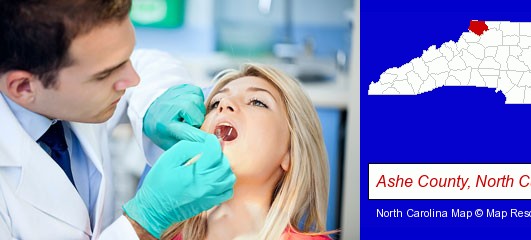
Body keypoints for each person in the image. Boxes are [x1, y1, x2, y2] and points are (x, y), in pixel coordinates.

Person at [0, 0, 235, 239]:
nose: (133, 78)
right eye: (105, 75)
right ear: (23, 87)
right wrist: (143, 222)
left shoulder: (71, 78)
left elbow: (145, 62)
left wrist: (156, 99)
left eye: (127, 58)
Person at [160, 64, 336, 240]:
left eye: (257, 102)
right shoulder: (159, 233)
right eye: (215, 103)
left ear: (290, 154)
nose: (224, 104)